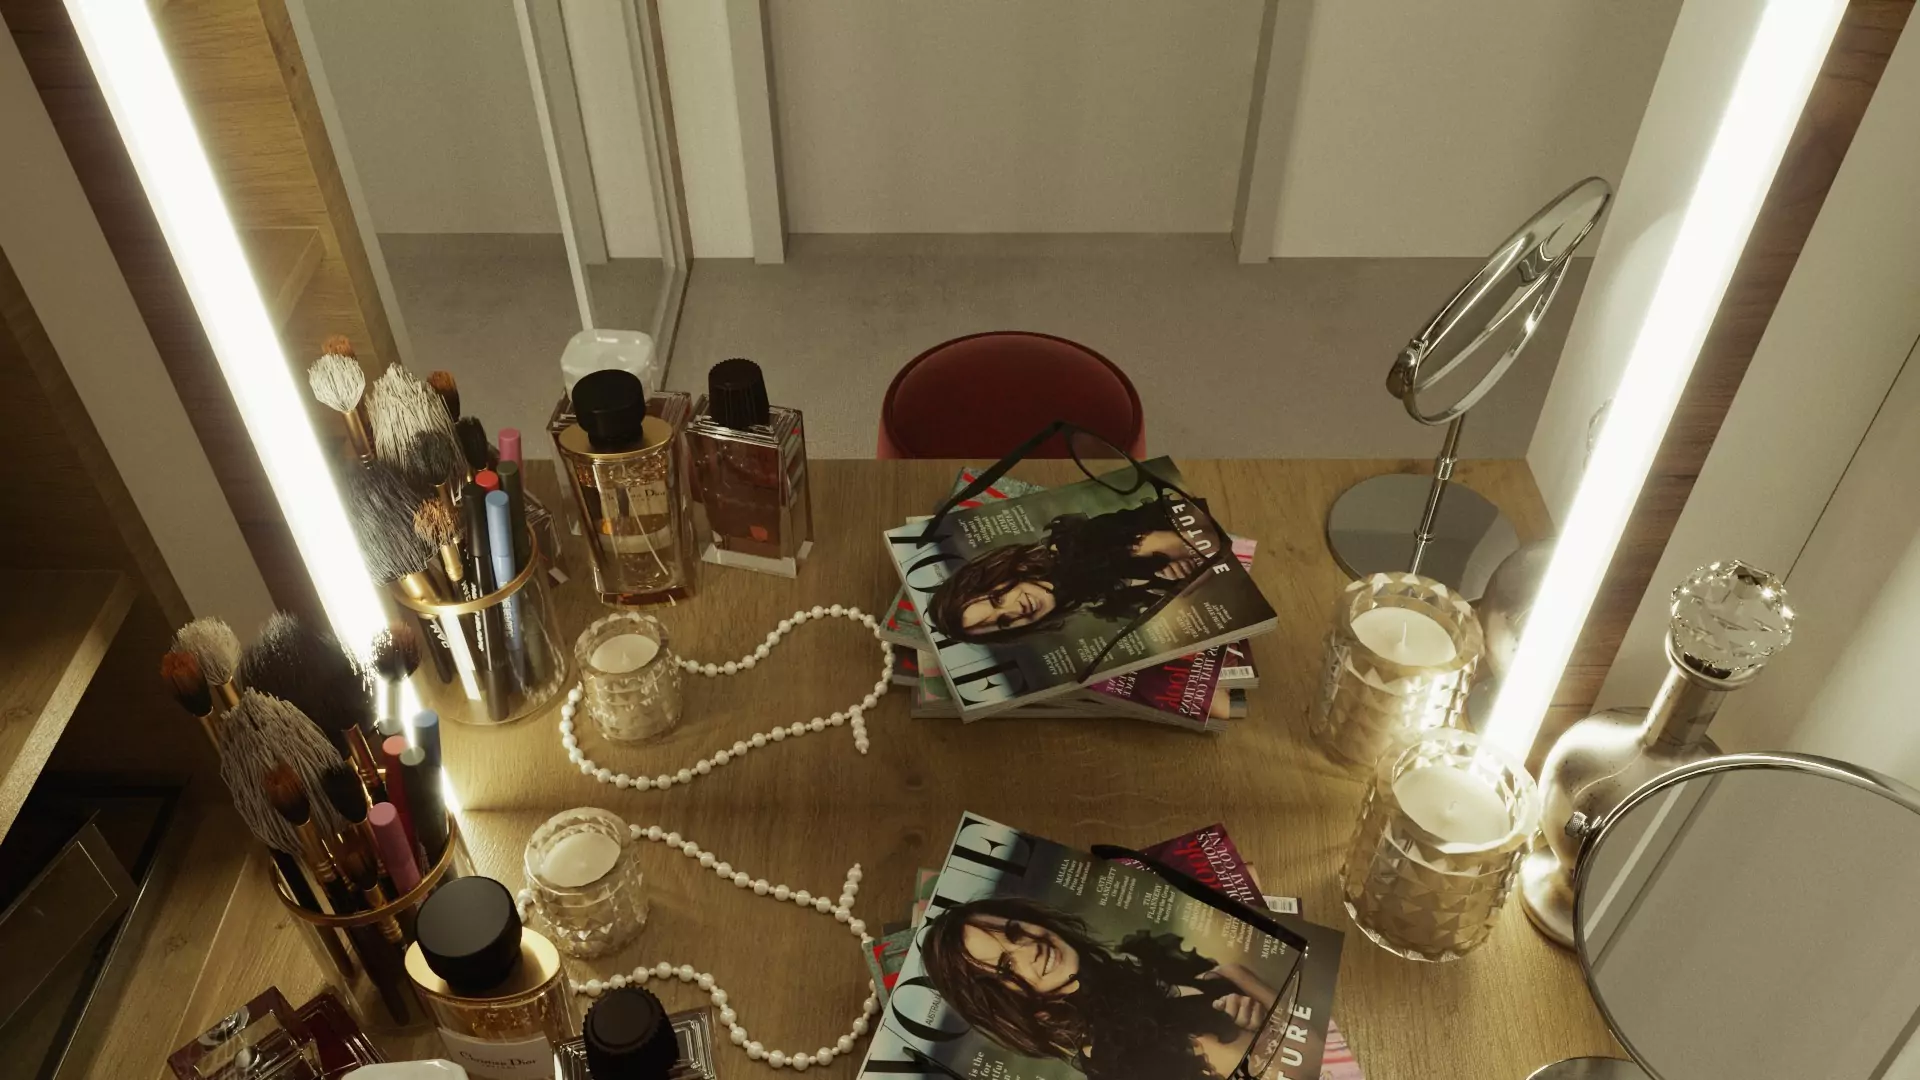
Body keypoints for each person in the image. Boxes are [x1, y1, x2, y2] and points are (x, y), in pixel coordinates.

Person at [918, 896, 1278, 1080]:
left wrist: (1266, 1019)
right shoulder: (1121, 1065)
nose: (1029, 949)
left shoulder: (1177, 978)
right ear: (1005, 1003)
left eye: (1015, 931)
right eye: (1006, 967)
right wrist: (1260, 1039)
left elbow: (1310, 1035)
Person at [923, 498, 1220, 642]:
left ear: (1003, 574)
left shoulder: (1083, 545)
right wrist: (1185, 585)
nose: (1015, 612)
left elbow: (1210, 542)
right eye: (1002, 623)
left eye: (998, 599)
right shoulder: (1095, 600)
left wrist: (1188, 577)